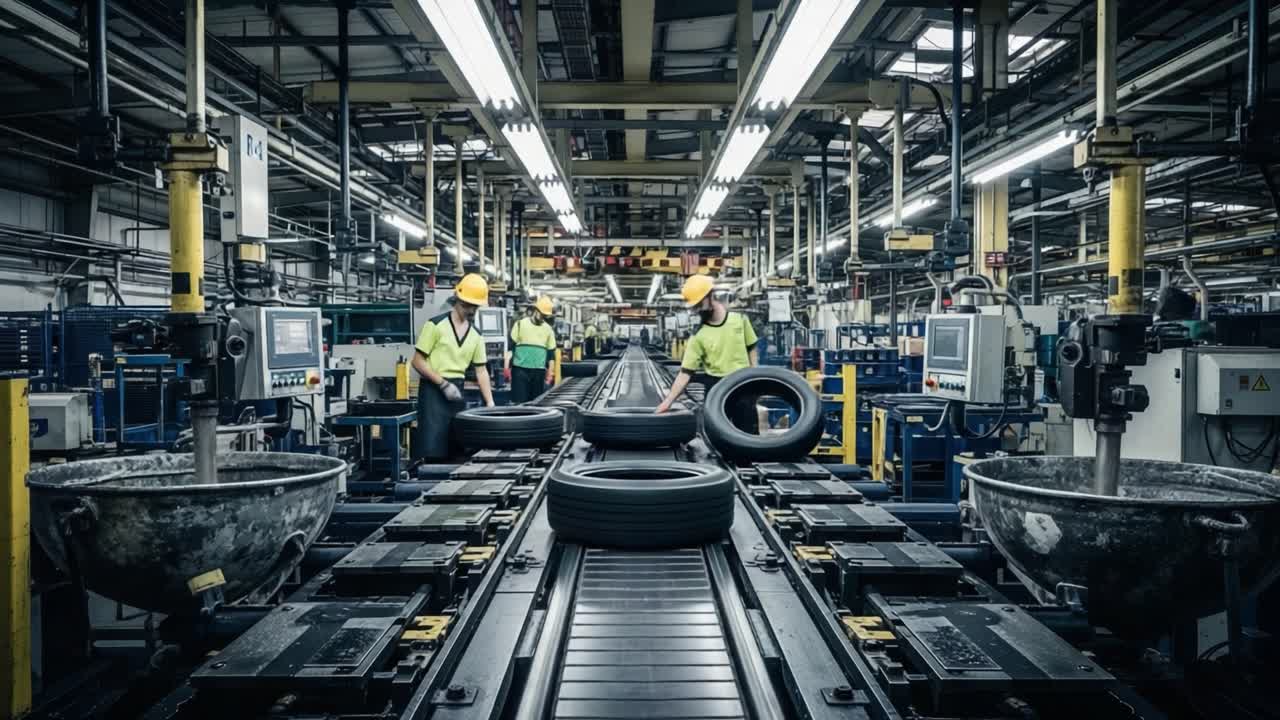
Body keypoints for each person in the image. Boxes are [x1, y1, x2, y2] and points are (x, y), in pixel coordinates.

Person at [411, 273, 495, 461]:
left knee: (457, 450)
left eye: (475, 306)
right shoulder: (435, 326)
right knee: (433, 449)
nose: (471, 310)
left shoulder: (476, 335)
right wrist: (442, 384)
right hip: (433, 391)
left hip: (458, 391)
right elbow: (417, 361)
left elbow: (481, 370)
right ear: (457, 300)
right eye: (468, 305)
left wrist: (490, 403)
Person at [655, 275, 758, 414]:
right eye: (694, 307)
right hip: (715, 389)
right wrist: (668, 401)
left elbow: (751, 348)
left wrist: (754, 378)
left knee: (747, 433)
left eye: (699, 305)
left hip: (742, 385)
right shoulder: (698, 335)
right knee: (716, 434)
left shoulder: (739, 319)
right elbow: (685, 373)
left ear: (710, 296)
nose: (697, 310)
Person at [506, 295, 557, 404]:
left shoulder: (548, 330)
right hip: (520, 371)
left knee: (535, 405)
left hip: (538, 372)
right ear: (535, 310)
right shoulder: (520, 324)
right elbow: (510, 348)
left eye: (545, 316)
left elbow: (551, 355)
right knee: (519, 404)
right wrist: (506, 367)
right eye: (541, 314)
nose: (542, 317)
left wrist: (550, 374)